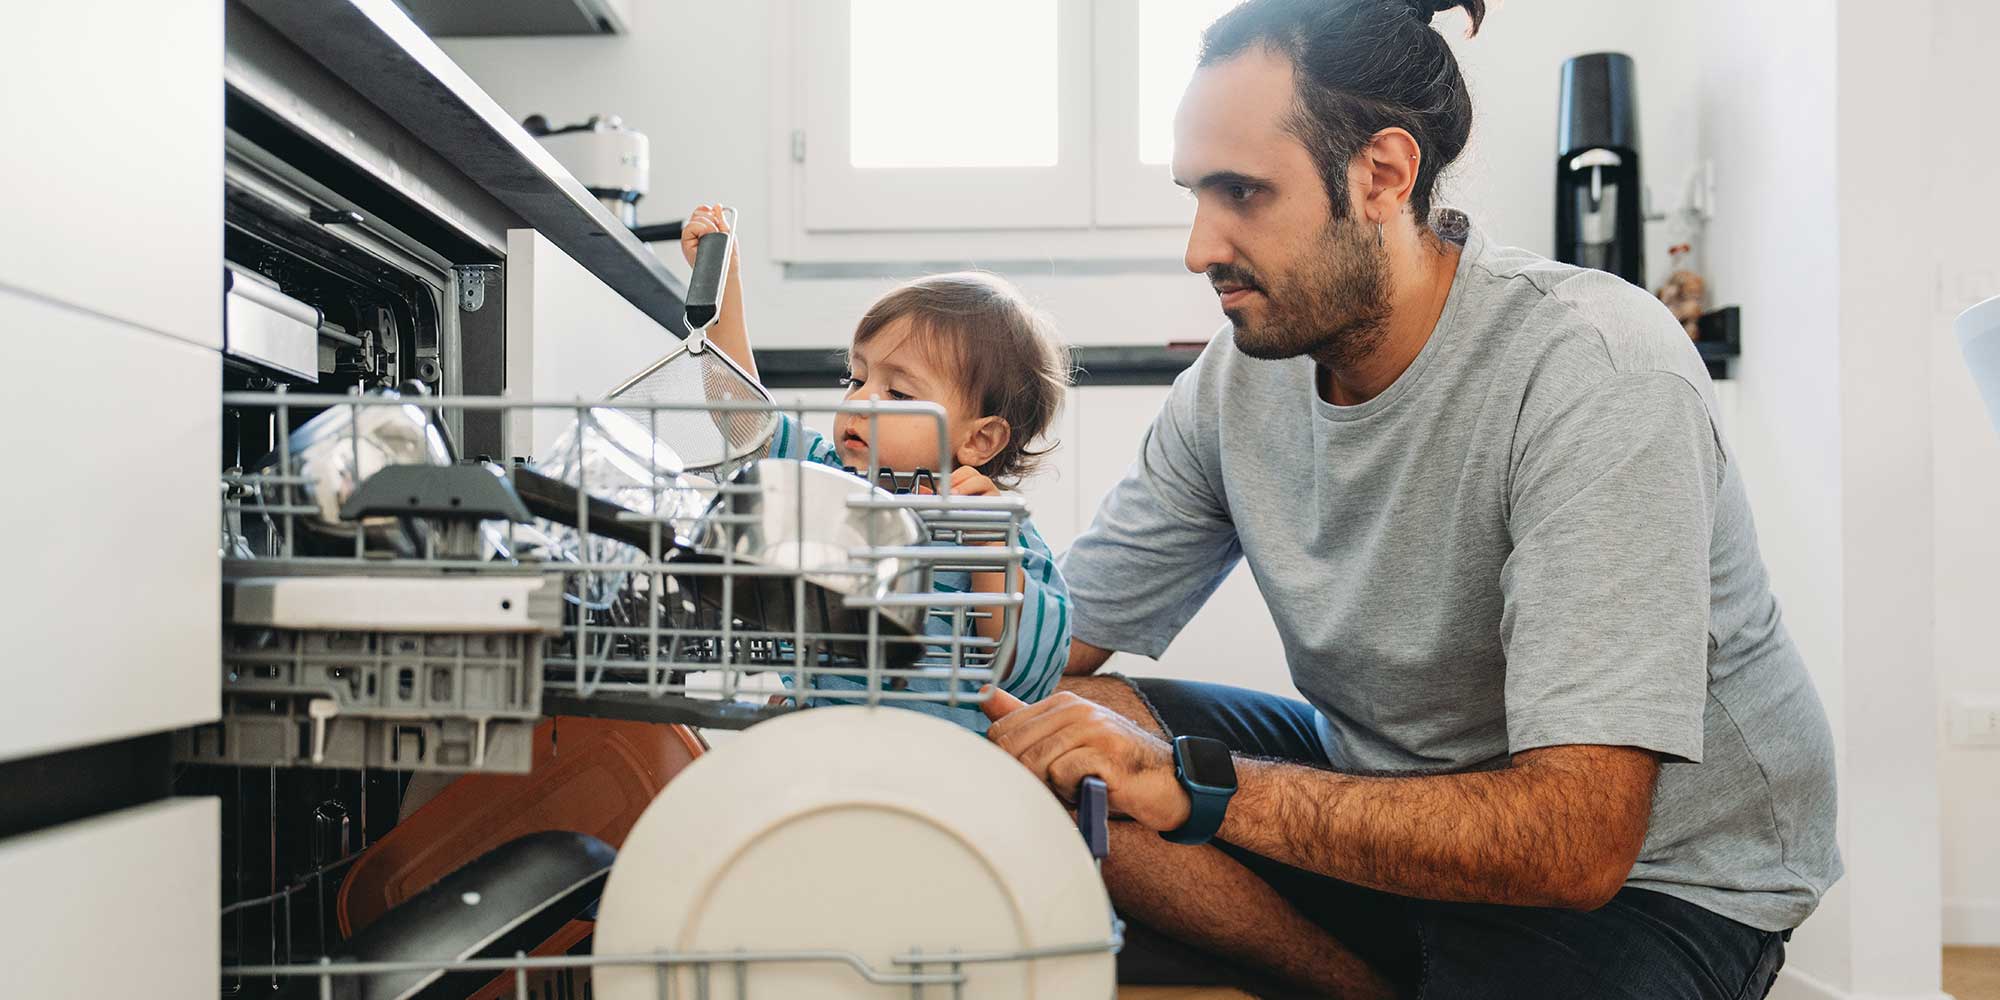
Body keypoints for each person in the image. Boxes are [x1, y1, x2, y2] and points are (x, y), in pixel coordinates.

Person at [976, 1, 1841, 997]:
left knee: (1138, 775)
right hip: (1387, 782)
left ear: (1380, 174)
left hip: (1653, 874)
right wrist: (933, 558)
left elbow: (1576, 841)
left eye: (1241, 193)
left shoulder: (1595, 372)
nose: (1198, 247)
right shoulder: (1234, 382)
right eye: (1193, 194)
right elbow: (1047, 650)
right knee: (1051, 730)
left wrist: (1196, 785)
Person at [678, 204, 1074, 731]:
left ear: (980, 439)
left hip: (939, 764)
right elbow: (744, 419)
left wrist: (990, 554)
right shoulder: (824, 474)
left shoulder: (1002, 532)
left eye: (898, 391)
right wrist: (724, 290)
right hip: (815, 739)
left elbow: (1028, 675)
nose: (861, 400)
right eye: (855, 377)